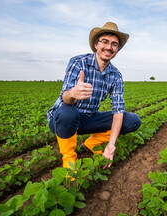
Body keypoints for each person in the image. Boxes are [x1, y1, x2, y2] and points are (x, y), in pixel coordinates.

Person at [47, 22, 141, 169]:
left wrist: (111, 145)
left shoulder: (115, 75)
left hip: (88, 119)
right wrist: (73, 93)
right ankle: (69, 160)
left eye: (114, 44)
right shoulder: (78, 63)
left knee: (132, 120)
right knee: (67, 110)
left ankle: (92, 143)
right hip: (63, 121)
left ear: (117, 49)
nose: (109, 47)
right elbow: (65, 97)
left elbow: (118, 110)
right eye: (105, 42)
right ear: (96, 44)